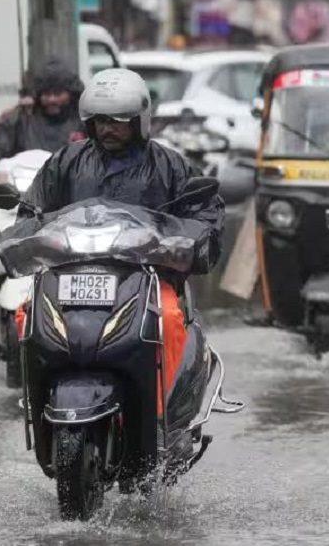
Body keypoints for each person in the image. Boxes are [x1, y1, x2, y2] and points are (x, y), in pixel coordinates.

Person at [14, 68, 225, 415]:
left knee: (169, 318)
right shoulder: (67, 162)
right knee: (27, 314)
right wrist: (29, 235)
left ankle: (166, 411)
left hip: (146, 281)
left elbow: (205, 214)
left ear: (139, 120)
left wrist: (192, 240)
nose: (107, 128)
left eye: (118, 120)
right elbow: (33, 210)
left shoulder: (169, 166)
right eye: (99, 120)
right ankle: (36, 403)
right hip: (73, 277)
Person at [0, 57, 85, 159]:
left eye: (58, 93)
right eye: (46, 94)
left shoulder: (84, 120)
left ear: (71, 94)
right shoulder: (21, 119)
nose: (52, 100)